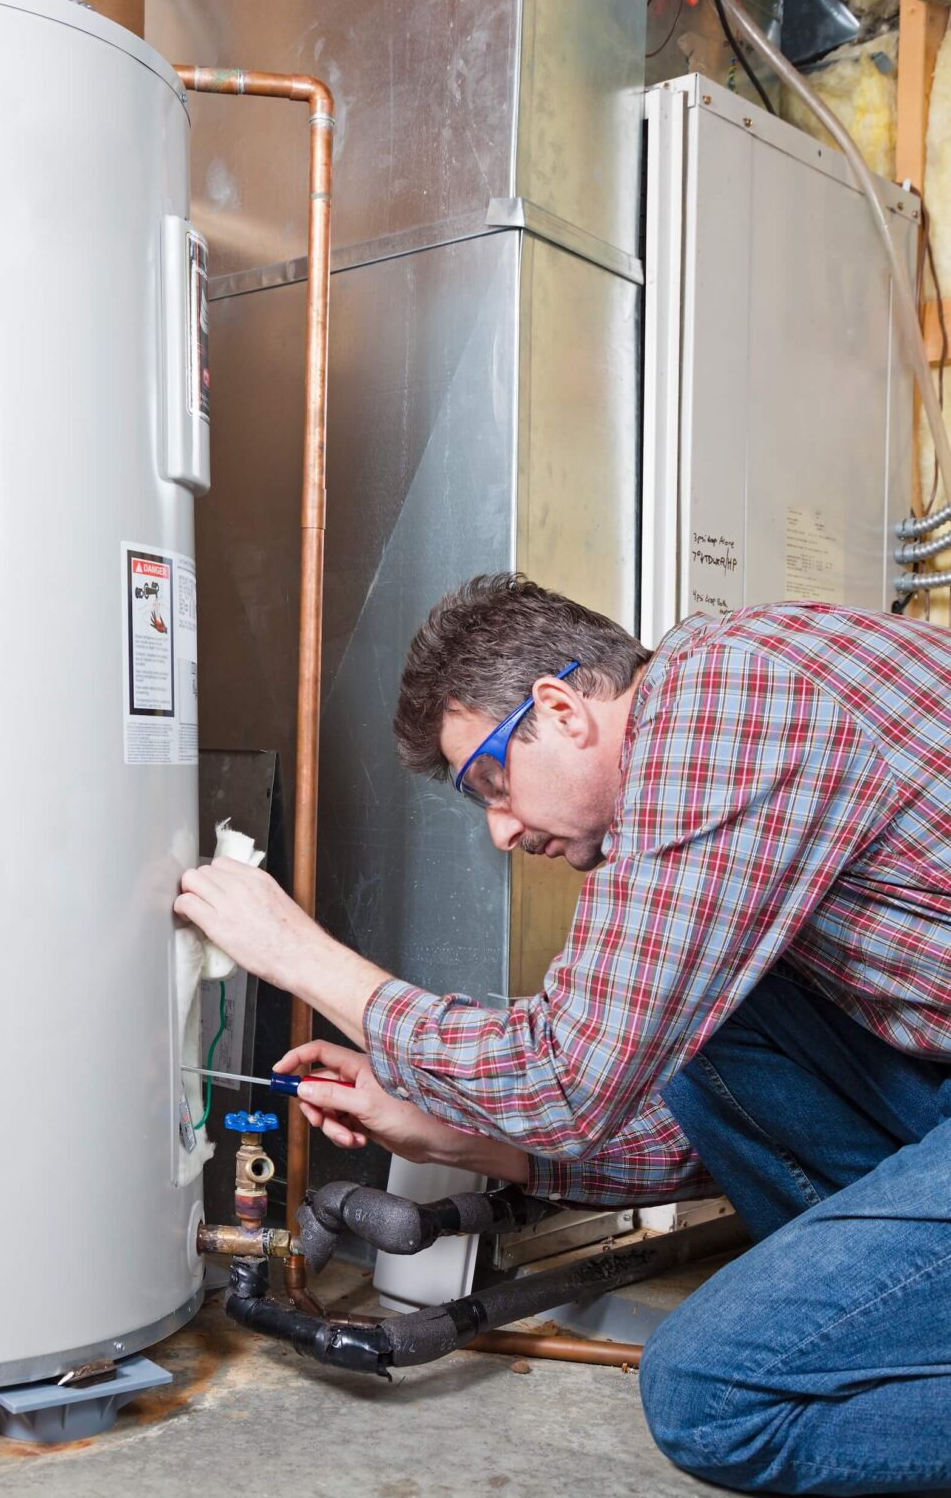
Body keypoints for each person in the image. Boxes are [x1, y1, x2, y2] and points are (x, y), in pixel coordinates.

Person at [175, 573, 951, 1496]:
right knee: (699, 1030)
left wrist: (301, 957)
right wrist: (451, 1134)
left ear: (561, 710)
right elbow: (689, 1118)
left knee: (715, 1396)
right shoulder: (729, 701)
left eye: (491, 785)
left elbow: (565, 1079)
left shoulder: (729, 709)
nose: (501, 830)